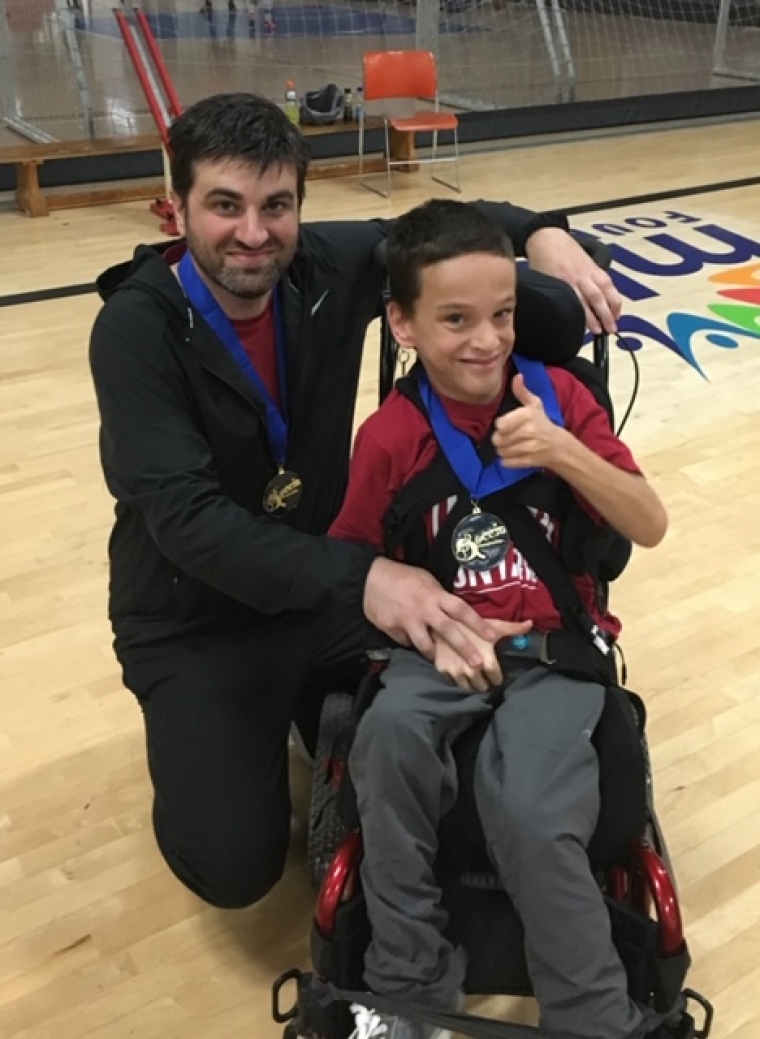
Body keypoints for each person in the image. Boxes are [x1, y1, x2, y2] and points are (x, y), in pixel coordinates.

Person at [88, 91, 622, 912]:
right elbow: (189, 523)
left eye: (278, 206)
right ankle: (227, 731)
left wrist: (544, 232)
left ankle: (321, 708)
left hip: (326, 583)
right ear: (178, 202)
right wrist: (369, 581)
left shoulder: (327, 268)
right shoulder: (134, 331)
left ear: (301, 201)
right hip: (196, 617)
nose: (255, 233)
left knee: (482, 644)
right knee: (236, 869)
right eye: (225, 205)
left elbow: (454, 224)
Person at [328, 199, 669, 1039]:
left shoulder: (561, 399)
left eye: (504, 316)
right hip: (437, 646)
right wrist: (410, 605)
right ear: (403, 323)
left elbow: (650, 522)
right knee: (387, 742)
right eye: (457, 320)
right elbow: (353, 563)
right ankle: (406, 990)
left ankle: (594, 1014)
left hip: (552, 651)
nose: (488, 341)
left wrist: (561, 449)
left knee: (525, 803)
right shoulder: (391, 436)